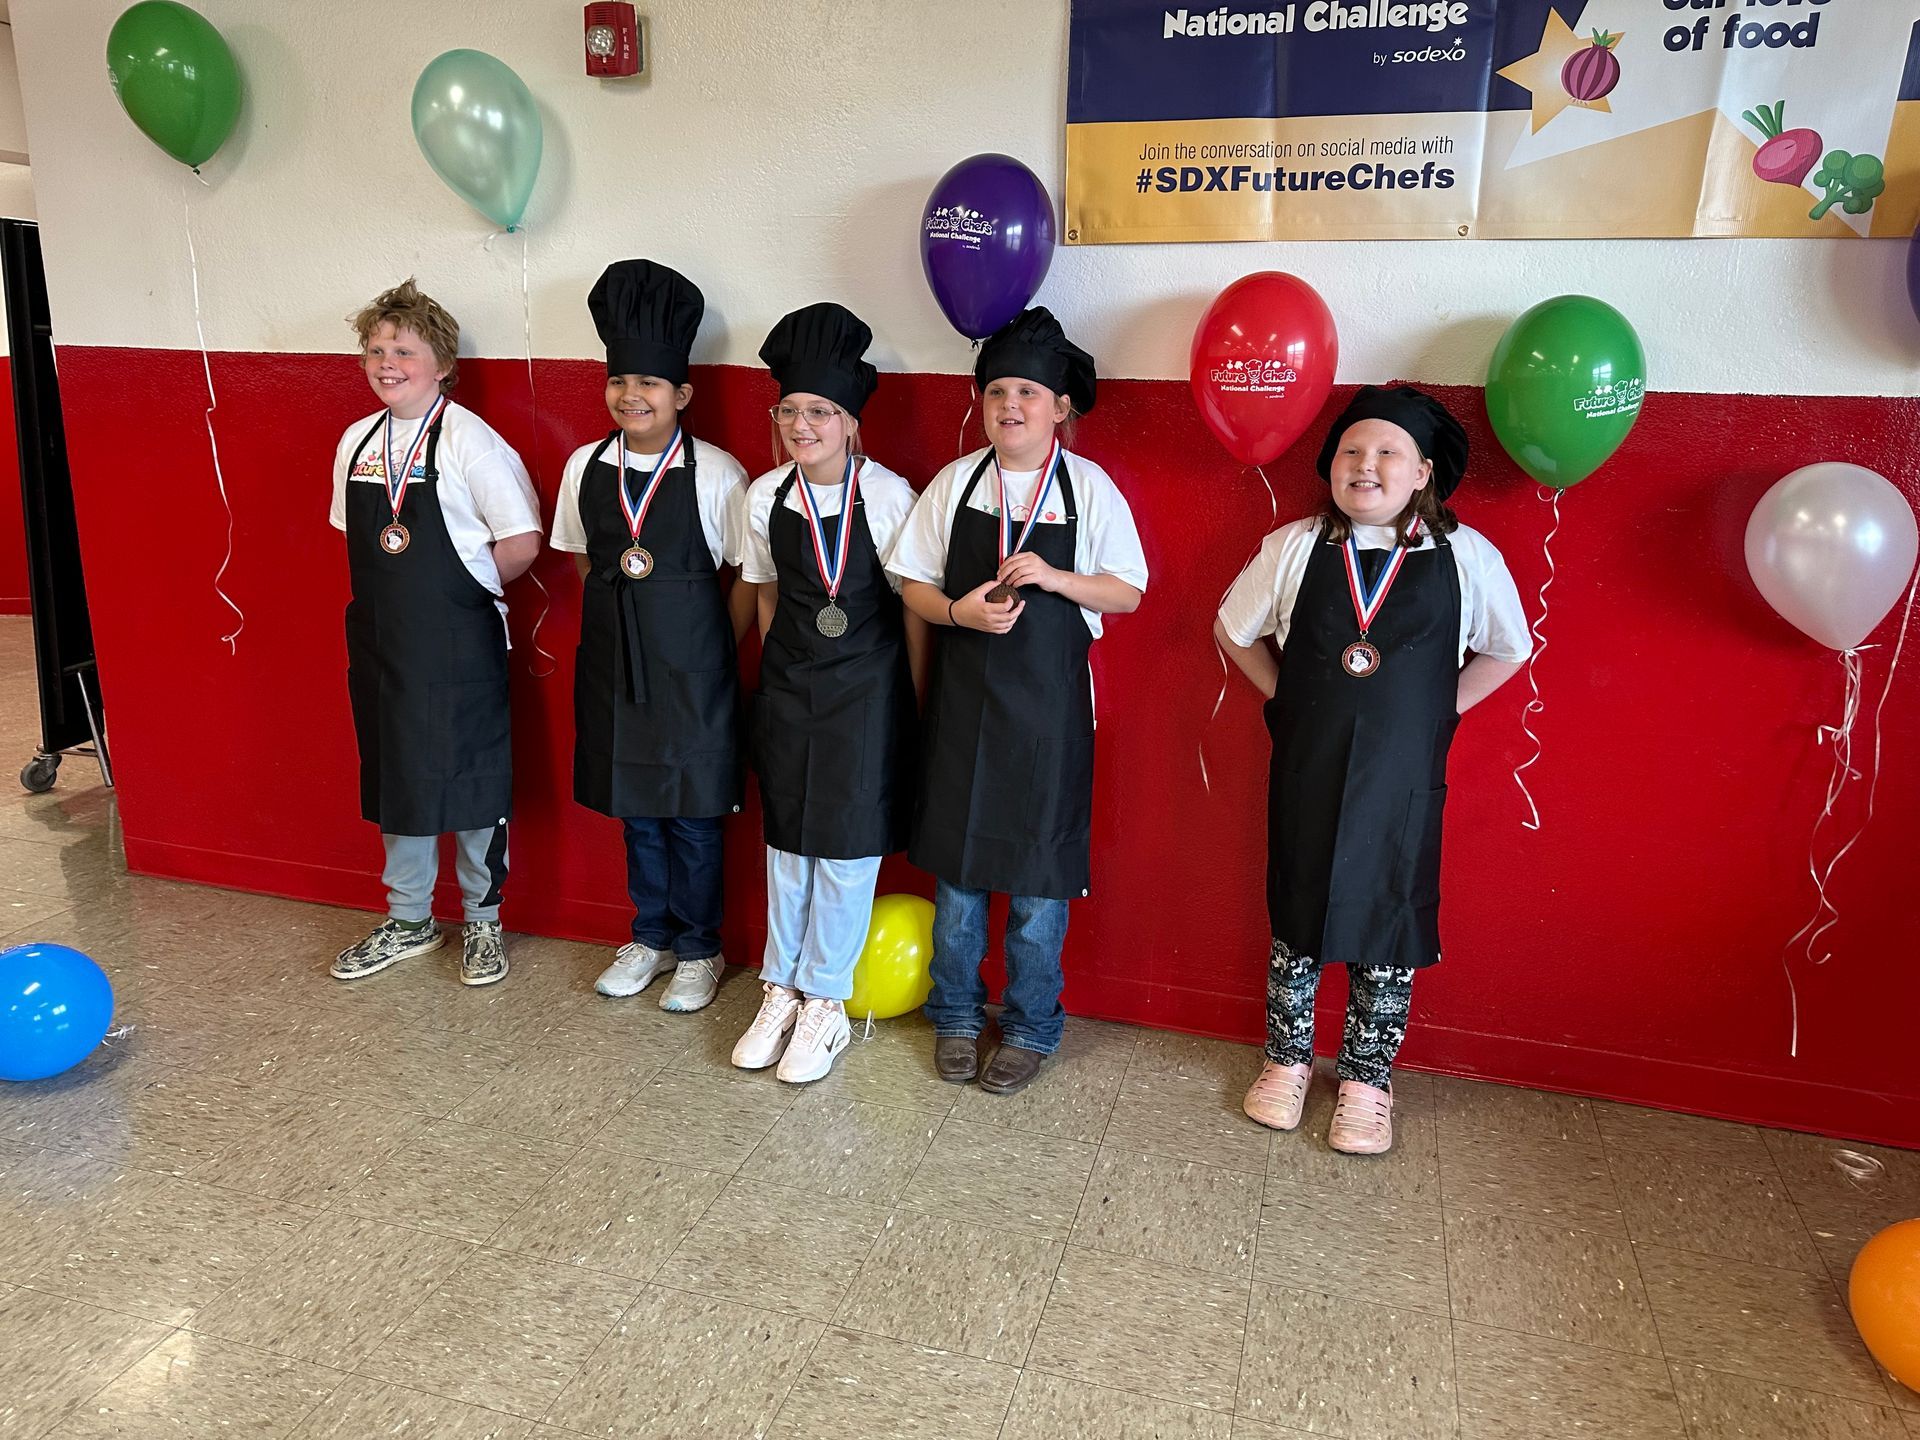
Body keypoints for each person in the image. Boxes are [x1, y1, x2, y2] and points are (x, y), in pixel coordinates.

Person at [1215, 385, 1530, 1153]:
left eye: (1388, 451)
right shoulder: (1294, 547)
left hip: (1402, 783)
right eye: (1352, 450)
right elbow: (1231, 629)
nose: (1366, 463)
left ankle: (1366, 1079)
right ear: (1330, 466)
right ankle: (1287, 1061)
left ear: (1423, 472)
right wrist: (1283, 694)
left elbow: (1510, 647)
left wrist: (1441, 711)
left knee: (1389, 916)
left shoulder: (1466, 556)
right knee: (1299, 910)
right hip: (1310, 770)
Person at [887, 307, 1147, 1096]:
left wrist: (1057, 578)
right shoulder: (956, 482)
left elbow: (1128, 591)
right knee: (959, 885)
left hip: (1048, 722)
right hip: (964, 714)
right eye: (997, 390)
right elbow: (911, 583)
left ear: (1060, 407)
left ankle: (1032, 1025)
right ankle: (957, 1015)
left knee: (1038, 889)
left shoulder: (1087, 488)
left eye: (1028, 393)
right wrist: (957, 612)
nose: (1010, 405)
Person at [549, 259, 752, 1012]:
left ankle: (700, 947)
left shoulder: (717, 473)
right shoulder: (585, 466)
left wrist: (710, 650)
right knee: (637, 812)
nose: (631, 395)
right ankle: (650, 935)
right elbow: (583, 558)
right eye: (618, 382)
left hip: (693, 672)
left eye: (650, 384)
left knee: (693, 817)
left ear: (682, 395)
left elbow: (748, 574)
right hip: (616, 666)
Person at [729, 303, 925, 1082]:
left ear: (849, 422)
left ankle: (826, 1002)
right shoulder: (765, 497)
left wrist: (913, 697)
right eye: (789, 410)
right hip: (790, 687)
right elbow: (767, 591)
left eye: (819, 411)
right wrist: (778, 673)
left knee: (846, 848)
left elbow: (913, 606)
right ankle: (779, 987)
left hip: (868, 690)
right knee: (787, 843)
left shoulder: (889, 496)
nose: (801, 425)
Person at [329, 279, 541, 987]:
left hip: (458, 640)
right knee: (399, 778)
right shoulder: (356, 441)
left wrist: (463, 593)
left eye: (404, 351)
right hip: (382, 641)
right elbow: (355, 534)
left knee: (472, 780)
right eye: (376, 350)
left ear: (442, 363)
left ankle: (483, 922)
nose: (387, 364)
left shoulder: (471, 441)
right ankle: (409, 920)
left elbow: (521, 540)